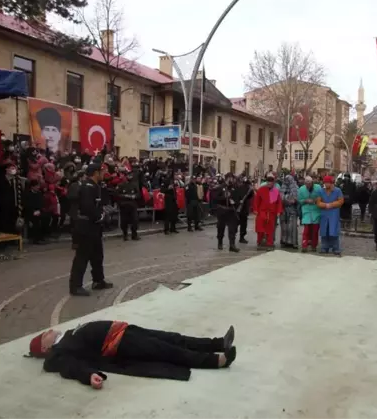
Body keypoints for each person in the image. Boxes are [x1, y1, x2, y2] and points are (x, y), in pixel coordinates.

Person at [26, 321, 237, 389]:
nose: (48, 331)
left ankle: (217, 343)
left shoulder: (70, 334)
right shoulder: (59, 352)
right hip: (120, 343)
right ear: (45, 348)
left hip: (125, 330)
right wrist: (89, 375)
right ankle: (216, 361)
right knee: (167, 351)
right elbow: (70, 367)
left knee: (172, 338)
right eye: (44, 334)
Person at [69, 164, 114, 296]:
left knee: (97, 256)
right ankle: (75, 286)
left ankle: (98, 280)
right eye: (101, 171)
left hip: (94, 227)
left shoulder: (95, 186)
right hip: (86, 227)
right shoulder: (87, 187)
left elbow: (97, 204)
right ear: (95, 173)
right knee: (82, 257)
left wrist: (104, 211)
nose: (103, 174)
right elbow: (88, 207)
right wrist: (101, 216)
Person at [253, 173, 283, 250]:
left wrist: (279, 211)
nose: (269, 184)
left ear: (273, 183)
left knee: (270, 229)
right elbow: (256, 201)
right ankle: (260, 242)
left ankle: (269, 243)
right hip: (262, 212)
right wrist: (255, 210)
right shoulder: (261, 190)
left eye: (271, 182)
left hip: (271, 213)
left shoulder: (275, 191)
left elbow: (278, 202)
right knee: (260, 228)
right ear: (266, 182)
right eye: (268, 182)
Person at [317, 175, 344, 255]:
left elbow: (341, 201)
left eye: (328, 183)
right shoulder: (320, 191)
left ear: (331, 183)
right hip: (324, 214)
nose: (326, 184)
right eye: (325, 183)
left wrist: (331, 204)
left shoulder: (337, 191)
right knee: (324, 231)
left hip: (334, 214)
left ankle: (335, 248)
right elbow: (318, 202)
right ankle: (324, 247)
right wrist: (325, 205)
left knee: (334, 230)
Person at [214, 173, 240, 252]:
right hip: (222, 210)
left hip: (231, 211)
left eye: (233, 178)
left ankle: (232, 245)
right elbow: (216, 198)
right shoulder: (220, 187)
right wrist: (224, 197)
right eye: (231, 178)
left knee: (232, 229)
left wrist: (235, 202)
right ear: (227, 178)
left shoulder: (234, 188)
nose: (232, 180)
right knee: (221, 227)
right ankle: (220, 242)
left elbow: (237, 198)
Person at [298, 176, 322, 252]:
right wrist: (305, 201)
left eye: (309, 183)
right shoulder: (301, 189)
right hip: (306, 211)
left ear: (312, 183)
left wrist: (314, 200)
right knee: (306, 230)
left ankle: (314, 245)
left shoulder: (318, 188)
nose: (307, 185)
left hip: (316, 211)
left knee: (315, 230)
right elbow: (299, 200)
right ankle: (304, 245)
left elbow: (321, 197)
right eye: (306, 184)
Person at [117, 171, 141, 241]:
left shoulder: (134, 185)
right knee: (124, 221)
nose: (130, 177)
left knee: (135, 220)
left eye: (131, 175)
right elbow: (117, 194)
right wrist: (126, 196)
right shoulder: (121, 185)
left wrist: (135, 196)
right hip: (124, 205)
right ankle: (125, 235)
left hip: (133, 205)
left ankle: (134, 235)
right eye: (129, 175)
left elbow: (138, 194)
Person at [279, 175, 299, 249]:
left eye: (288, 179)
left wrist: (291, 200)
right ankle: (284, 241)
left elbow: (296, 198)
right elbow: (279, 197)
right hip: (283, 209)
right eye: (286, 179)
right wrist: (285, 200)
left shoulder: (295, 187)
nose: (287, 181)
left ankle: (293, 242)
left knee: (292, 227)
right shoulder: (282, 187)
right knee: (284, 227)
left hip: (292, 210)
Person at [236, 177, 254, 244]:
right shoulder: (249, 189)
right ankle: (241, 237)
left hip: (238, 208)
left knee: (237, 223)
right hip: (244, 209)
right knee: (243, 224)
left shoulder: (238, 187)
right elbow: (251, 196)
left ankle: (233, 236)